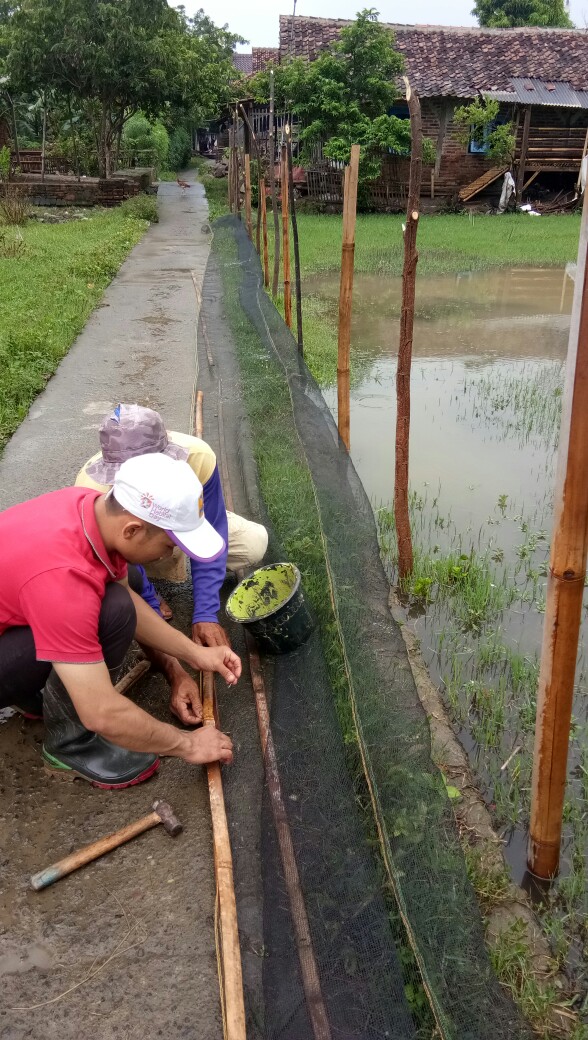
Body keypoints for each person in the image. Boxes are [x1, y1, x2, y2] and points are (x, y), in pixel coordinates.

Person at [0, 453, 240, 789]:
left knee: (117, 601)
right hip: (43, 602)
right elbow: (102, 711)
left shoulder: (89, 508)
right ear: (133, 529)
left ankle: (33, 695)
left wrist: (193, 653)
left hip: (17, 615)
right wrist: (188, 744)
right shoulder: (65, 581)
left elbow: (127, 601)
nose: (170, 555)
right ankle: (70, 745)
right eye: (169, 544)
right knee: (106, 613)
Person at [75, 404, 267, 721]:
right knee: (121, 596)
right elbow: (120, 556)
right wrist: (149, 602)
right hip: (136, 543)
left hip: (188, 517)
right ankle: (155, 574)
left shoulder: (199, 458)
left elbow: (214, 526)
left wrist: (205, 611)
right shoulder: (91, 493)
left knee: (253, 543)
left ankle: (168, 554)